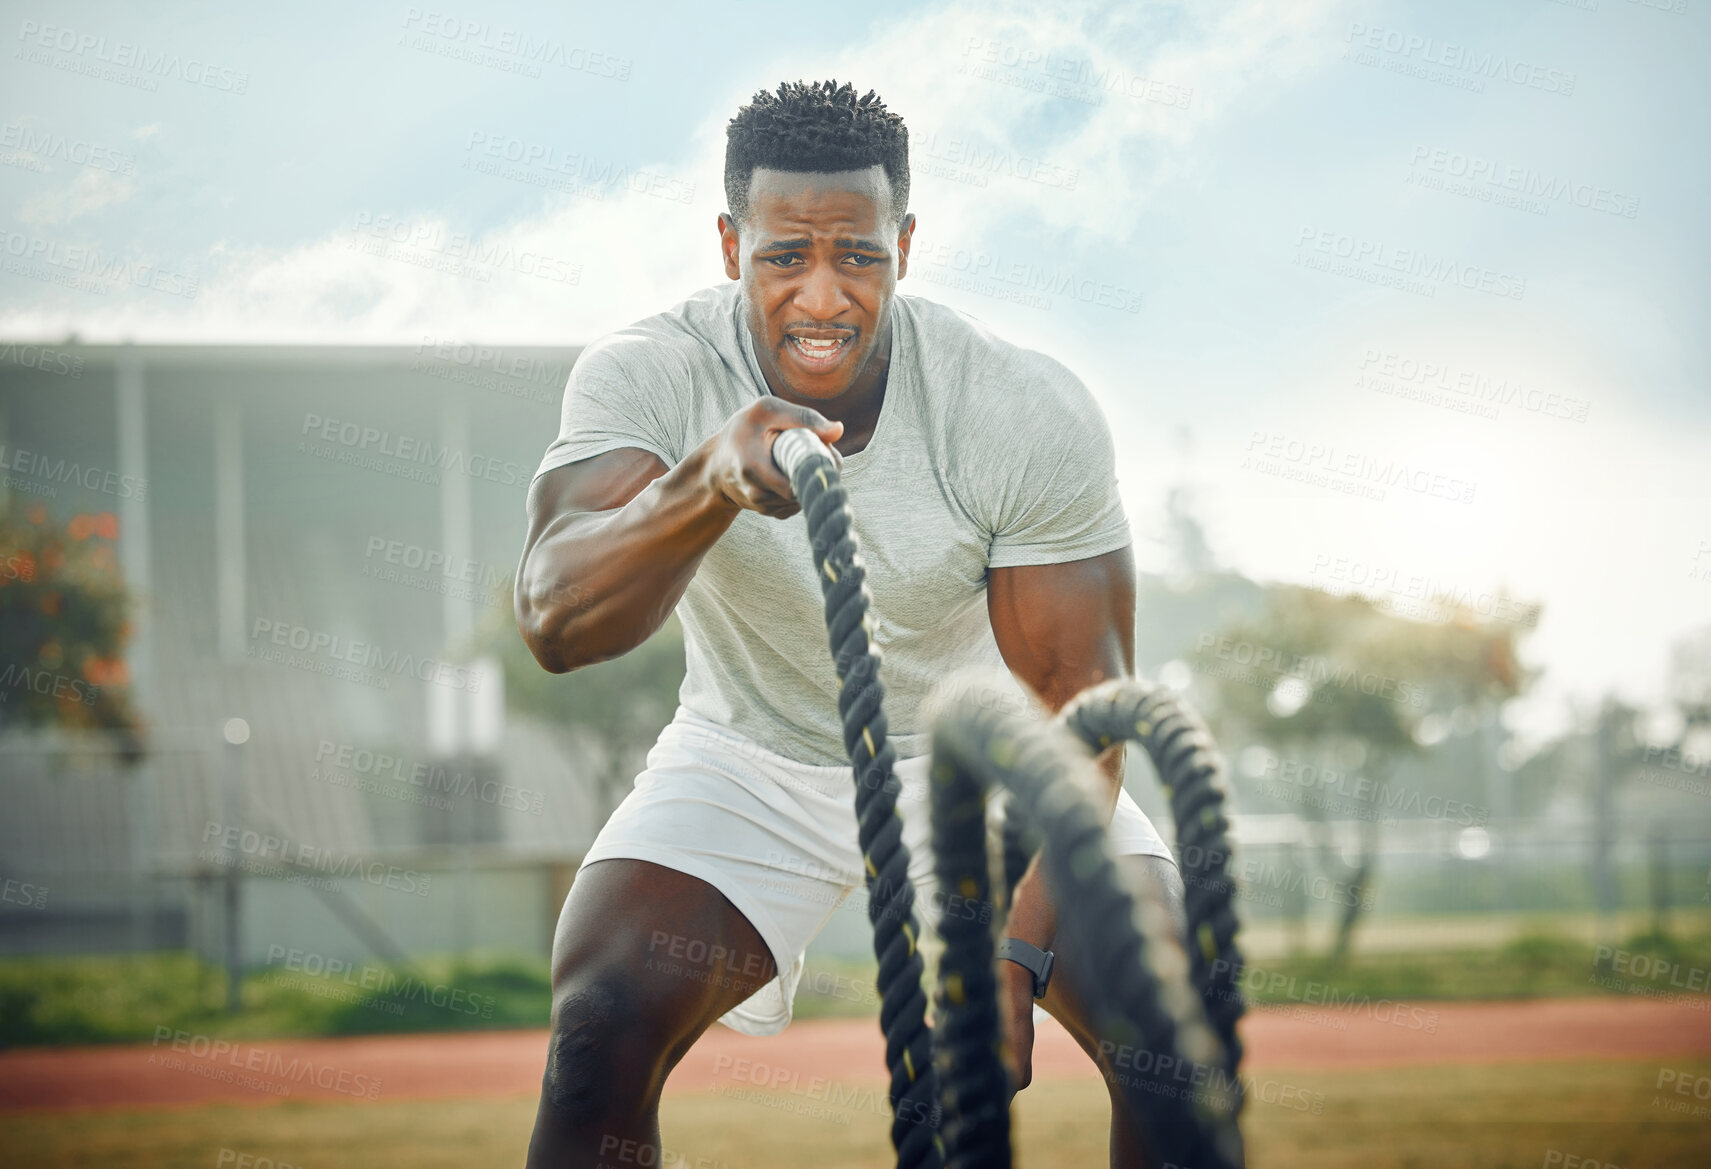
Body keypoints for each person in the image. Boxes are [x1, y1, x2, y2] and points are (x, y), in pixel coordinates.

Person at [514, 78, 1186, 1169]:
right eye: (785, 255)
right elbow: (555, 617)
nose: (822, 296)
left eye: (857, 257)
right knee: (599, 1020)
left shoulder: (1017, 406)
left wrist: (1010, 957)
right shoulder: (650, 370)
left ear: (905, 246)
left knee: (1167, 1009)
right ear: (730, 244)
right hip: (747, 751)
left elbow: (1081, 709)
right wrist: (707, 482)